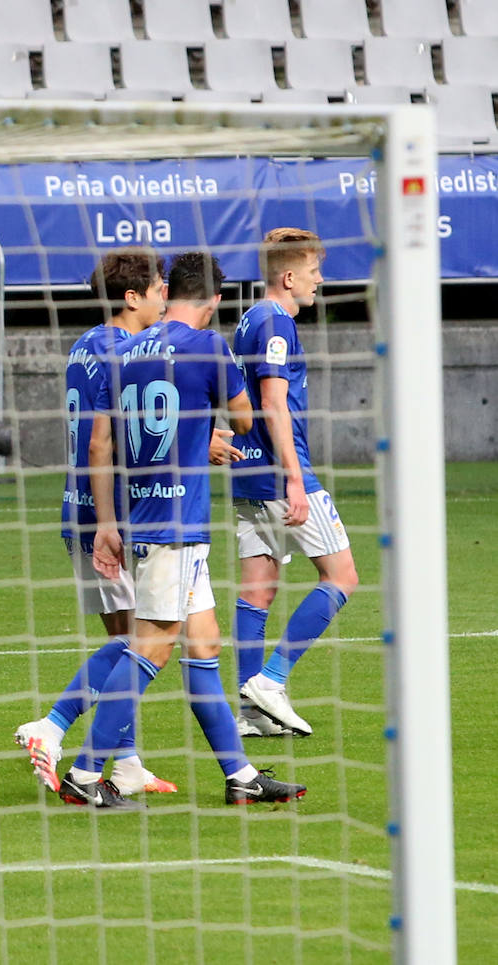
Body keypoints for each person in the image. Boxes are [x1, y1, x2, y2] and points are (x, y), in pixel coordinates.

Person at [63, 251, 306, 809]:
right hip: (176, 524)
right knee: (149, 651)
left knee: (204, 646)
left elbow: (100, 444)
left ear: (169, 290)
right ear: (215, 301)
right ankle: (83, 770)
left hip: (141, 516)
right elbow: (245, 421)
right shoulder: (208, 347)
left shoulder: (121, 351)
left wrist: (106, 523)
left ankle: (240, 776)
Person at [13, 249, 178, 797]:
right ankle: (53, 725)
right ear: (133, 297)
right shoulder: (128, 351)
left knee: (127, 646)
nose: (165, 297)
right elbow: (114, 439)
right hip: (115, 517)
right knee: (145, 643)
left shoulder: (86, 343)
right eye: (159, 288)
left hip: (76, 509)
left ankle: (126, 765)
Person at [231, 228, 360, 738]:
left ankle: (251, 711)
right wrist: (295, 481)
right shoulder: (276, 323)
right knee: (342, 575)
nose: (319, 281)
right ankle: (272, 681)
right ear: (289, 277)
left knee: (257, 591)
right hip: (282, 473)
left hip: (247, 470)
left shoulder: (248, 318)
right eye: (312, 272)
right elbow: (272, 402)